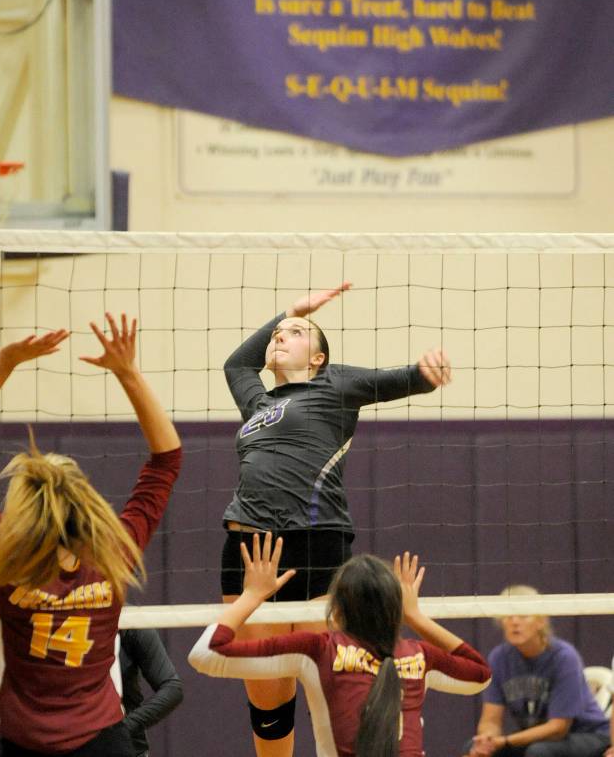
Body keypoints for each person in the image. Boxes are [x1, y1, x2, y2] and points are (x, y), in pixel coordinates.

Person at [221, 282, 451, 757]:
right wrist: (289, 311)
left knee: (335, 682)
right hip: (248, 550)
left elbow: (399, 380)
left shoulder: (334, 385)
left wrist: (426, 375)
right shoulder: (257, 403)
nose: (281, 336)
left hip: (315, 543)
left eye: (296, 333)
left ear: (319, 358)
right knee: (268, 696)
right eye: (278, 333)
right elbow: (236, 365)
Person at [0, 314, 181, 757]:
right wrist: (128, 373)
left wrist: (3, 363)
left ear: (24, 505)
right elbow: (166, 460)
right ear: (85, 501)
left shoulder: (6, 555)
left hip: (26, 743)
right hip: (103, 742)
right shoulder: (114, 554)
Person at [191, 534, 490, 757]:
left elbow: (205, 654)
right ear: (396, 607)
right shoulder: (419, 656)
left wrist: (252, 596)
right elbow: (480, 674)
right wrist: (415, 616)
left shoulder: (320, 650)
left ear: (335, 612)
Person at [0, 628, 184, 757]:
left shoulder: (131, 625)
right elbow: (13, 670)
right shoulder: (55, 623)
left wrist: (121, 728)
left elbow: (172, 688)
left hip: (122, 748)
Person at [462, 586, 610, 757]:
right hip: (539, 740)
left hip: (589, 735)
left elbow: (558, 728)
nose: (514, 622)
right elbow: (491, 720)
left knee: (539, 752)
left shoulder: (564, 657)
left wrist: (505, 741)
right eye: (508, 616)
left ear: (541, 621)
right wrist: (487, 739)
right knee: (472, 748)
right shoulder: (499, 658)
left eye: (523, 615)